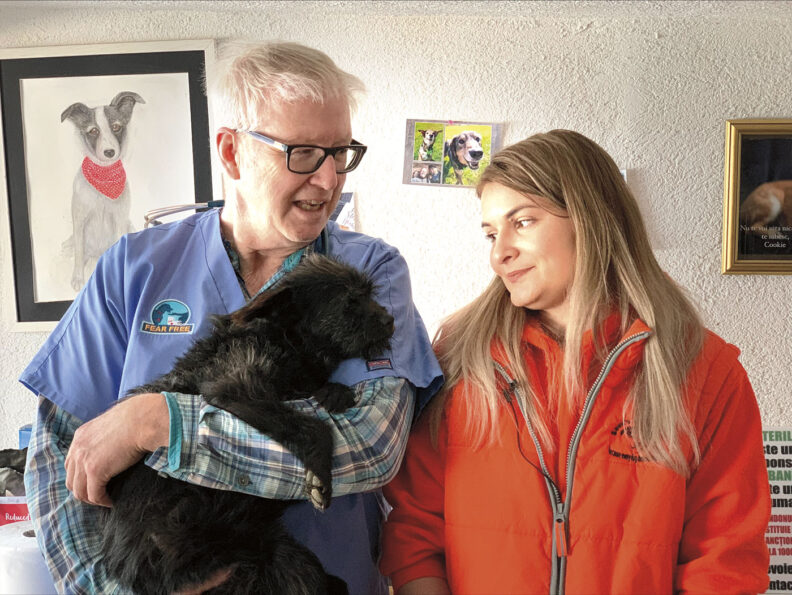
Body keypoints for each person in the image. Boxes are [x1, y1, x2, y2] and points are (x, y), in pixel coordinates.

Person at [21, 41, 442, 595]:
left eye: (341, 152)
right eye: (303, 153)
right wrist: (111, 590)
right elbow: (57, 459)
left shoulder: (368, 271)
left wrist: (162, 425)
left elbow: (369, 448)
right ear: (231, 153)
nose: (329, 179)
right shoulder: (134, 268)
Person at [380, 130, 770, 594]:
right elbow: (416, 533)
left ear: (589, 218)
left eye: (522, 222)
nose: (498, 253)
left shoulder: (704, 370)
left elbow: (724, 561)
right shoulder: (459, 361)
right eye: (490, 232)